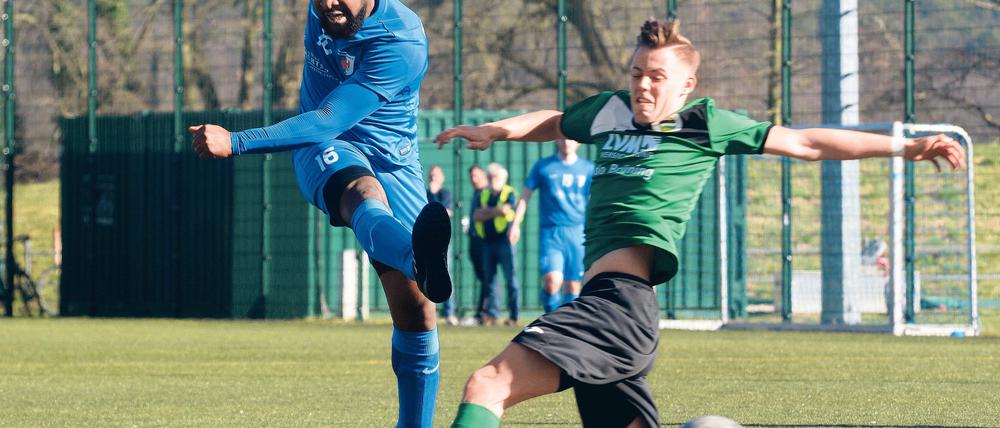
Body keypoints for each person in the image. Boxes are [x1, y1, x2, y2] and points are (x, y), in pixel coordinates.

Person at [434, 18, 965, 428]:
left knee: (487, 384)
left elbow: (806, 142)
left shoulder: (703, 125)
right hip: (612, 306)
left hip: (619, 304)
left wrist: (905, 146)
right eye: (637, 73)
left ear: (687, 85)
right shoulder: (610, 111)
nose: (643, 86)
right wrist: (495, 130)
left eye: (657, 77)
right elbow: (553, 120)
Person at [189, 1, 452, 427]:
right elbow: (324, 125)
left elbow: (334, 113)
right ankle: (413, 257)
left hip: (392, 157)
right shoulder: (323, 9)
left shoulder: (401, 40)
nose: (329, 2)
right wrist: (238, 141)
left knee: (417, 311)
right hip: (324, 145)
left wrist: (236, 139)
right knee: (362, 194)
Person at [509, 138, 593, 313]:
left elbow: (594, 200)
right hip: (552, 232)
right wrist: (515, 224)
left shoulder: (588, 168)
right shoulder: (544, 166)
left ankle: (567, 327)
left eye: (571, 138)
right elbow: (525, 196)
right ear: (556, 140)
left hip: (578, 232)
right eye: (562, 137)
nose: (566, 142)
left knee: (573, 286)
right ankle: (551, 317)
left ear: (579, 142)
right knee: (552, 281)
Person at [472, 163, 520, 327]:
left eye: (496, 177)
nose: (493, 180)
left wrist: (489, 212)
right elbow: (477, 215)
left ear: (503, 179)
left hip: (504, 241)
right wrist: (496, 211)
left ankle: (513, 316)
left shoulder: (510, 193)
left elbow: (506, 210)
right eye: (491, 177)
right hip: (487, 242)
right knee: (490, 280)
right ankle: (493, 315)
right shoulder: (484, 194)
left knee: (510, 279)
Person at [426, 165, 458, 325]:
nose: (432, 178)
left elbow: (446, 211)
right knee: (424, 274)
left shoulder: (445, 194)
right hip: (425, 238)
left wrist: (433, 194)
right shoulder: (425, 193)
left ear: (442, 178)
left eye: (435, 175)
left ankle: (449, 313)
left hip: (442, 239)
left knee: (446, 273)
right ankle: (428, 313)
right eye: (431, 175)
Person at [465, 165, 490, 324]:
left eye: (476, 176)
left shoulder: (488, 193)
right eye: (471, 177)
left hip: (485, 241)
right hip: (474, 239)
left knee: (487, 277)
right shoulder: (476, 194)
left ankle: (485, 312)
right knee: (482, 276)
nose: (473, 180)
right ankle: (482, 312)